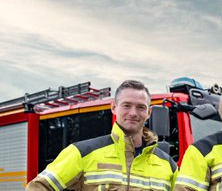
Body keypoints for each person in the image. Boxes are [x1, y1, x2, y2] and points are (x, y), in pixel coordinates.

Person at [27, 80, 177, 190]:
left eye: (140, 107)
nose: (133, 113)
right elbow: (38, 187)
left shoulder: (168, 165)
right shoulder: (82, 153)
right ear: (113, 107)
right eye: (126, 105)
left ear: (149, 113)